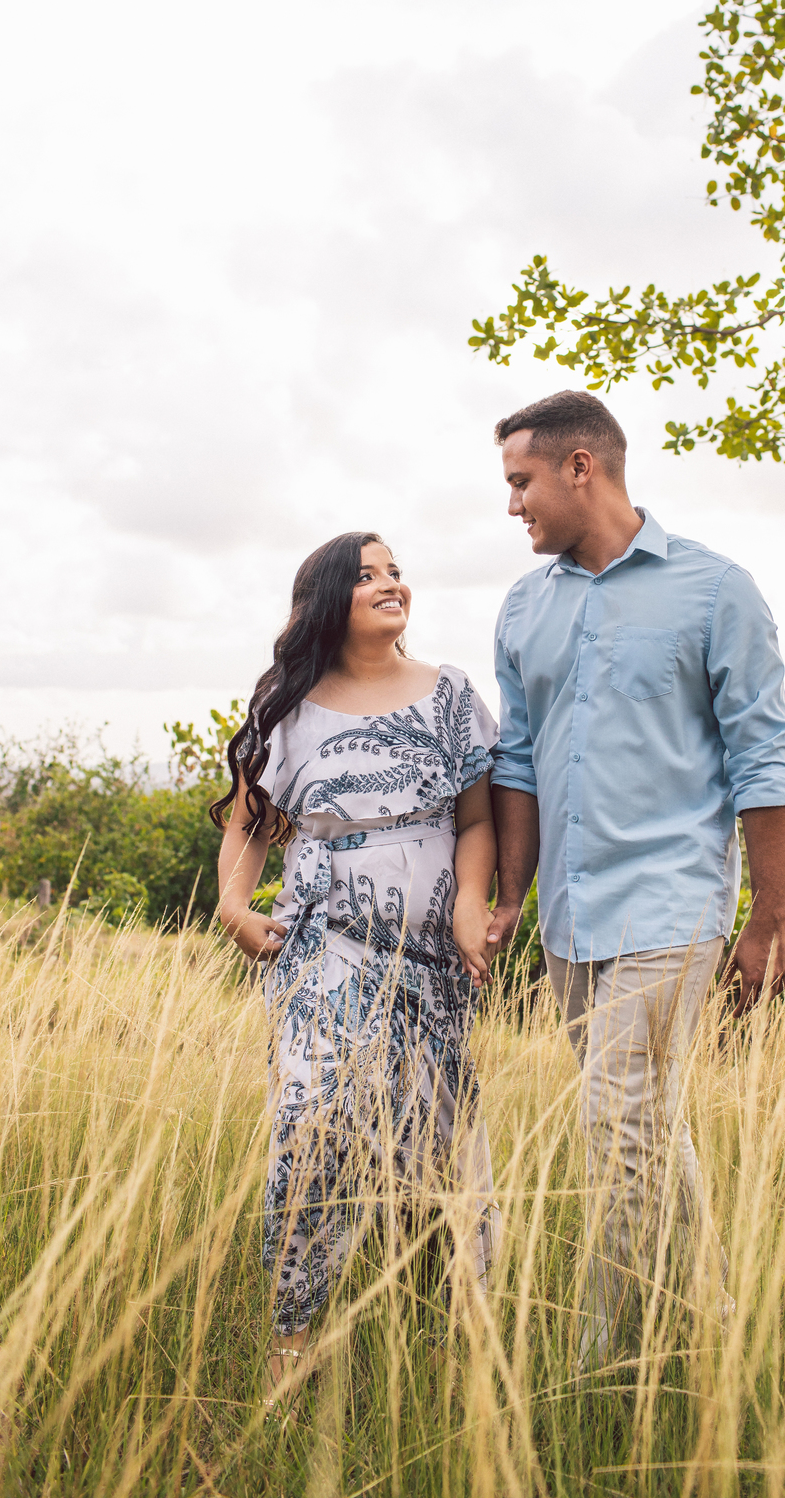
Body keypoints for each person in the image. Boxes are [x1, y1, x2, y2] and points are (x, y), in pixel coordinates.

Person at [482, 390, 785, 1360]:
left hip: (672, 904)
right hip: (573, 919)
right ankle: (715, 1331)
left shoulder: (715, 590)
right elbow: (520, 765)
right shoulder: (525, 606)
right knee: (648, 1124)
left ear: (585, 468)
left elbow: (765, 760)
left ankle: (599, 1366)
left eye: (521, 482)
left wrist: (766, 923)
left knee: (616, 1124)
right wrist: (511, 901)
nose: (512, 507)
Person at [213, 531, 501, 1408]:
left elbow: (478, 815)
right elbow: (250, 819)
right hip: (320, 952)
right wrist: (232, 907)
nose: (391, 585)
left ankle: (457, 1350)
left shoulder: (450, 694)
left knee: (437, 1149)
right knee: (313, 1134)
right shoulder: (290, 706)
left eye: (397, 572)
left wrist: (466, 907)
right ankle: (292, 1347)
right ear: (328, 598)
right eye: (368, 575)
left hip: (430, 966)